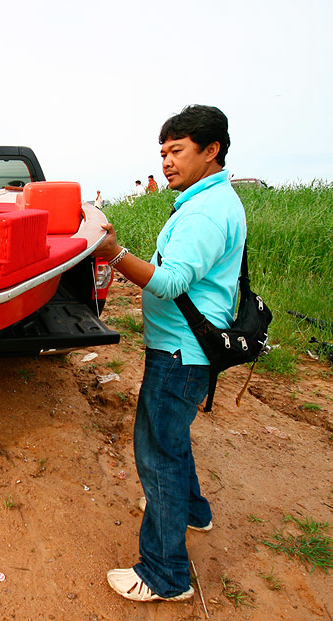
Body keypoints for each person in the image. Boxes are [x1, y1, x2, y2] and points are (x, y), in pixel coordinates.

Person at [95, 105, 245, 602]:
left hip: (180, 353)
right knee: (171, 439)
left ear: (211, 150)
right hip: (187, 349)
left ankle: (165, 573)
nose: (167, 162)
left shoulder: (205, 210)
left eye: (177, 150)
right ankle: (193, 511)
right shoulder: (210, 201)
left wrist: (113, 254)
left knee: (157, 452)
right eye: (163, 152)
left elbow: (173, 280)